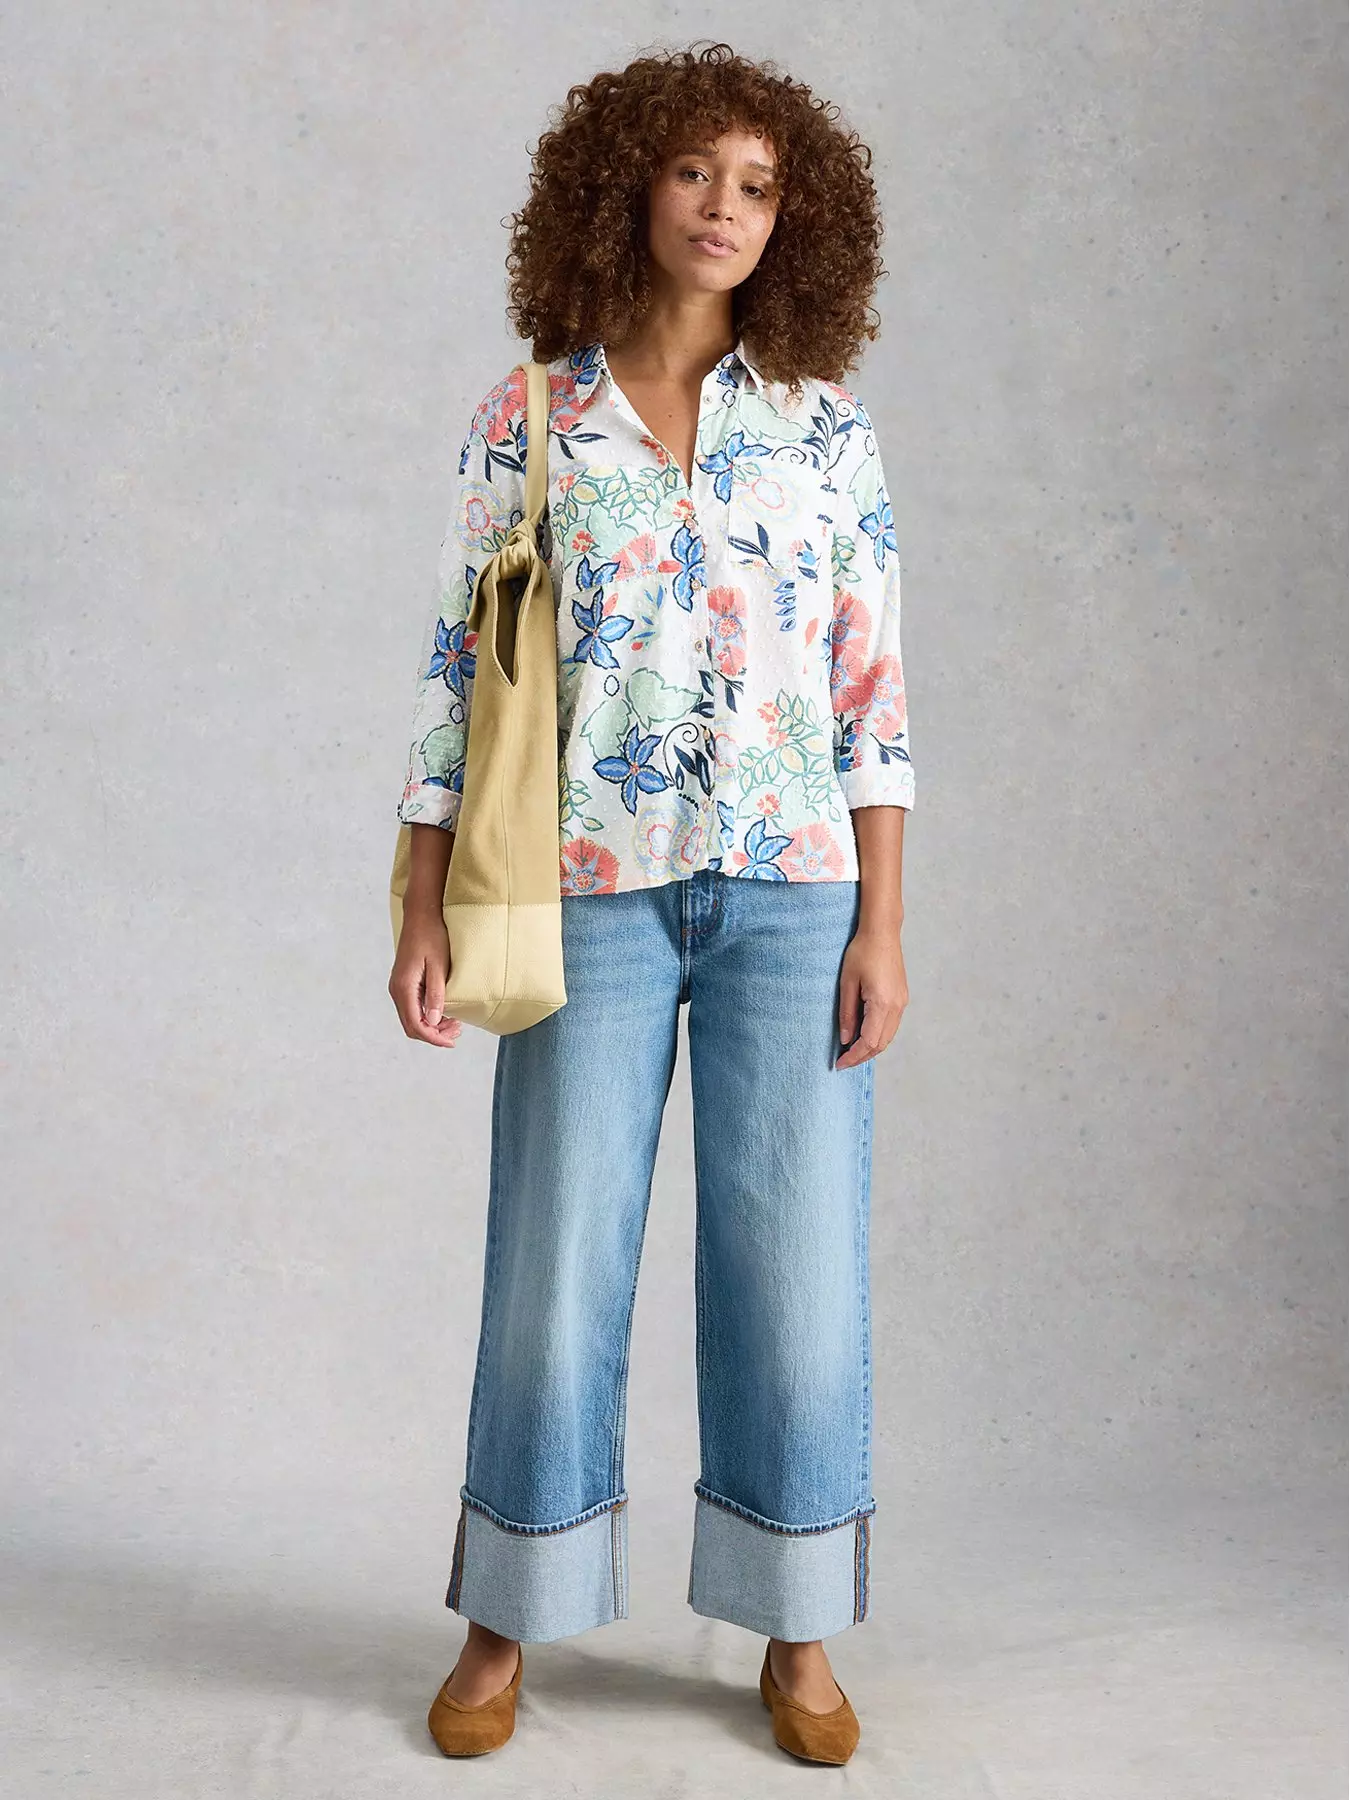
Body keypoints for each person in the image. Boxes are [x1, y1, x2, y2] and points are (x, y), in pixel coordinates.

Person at [388, 41, 914, 1766]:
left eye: (757, 185)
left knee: (795, 1273)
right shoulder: (531, 418)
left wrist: (881, 922)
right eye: (695, 172)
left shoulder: (826, 430)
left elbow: (871, 695)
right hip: (583, 897)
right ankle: (503, 1620)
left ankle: (795, 1630)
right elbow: (460, 676)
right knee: (553, 1265)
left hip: (791, 896)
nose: (722, 209)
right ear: (628, 187)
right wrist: (420, 900)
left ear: (793, 222)